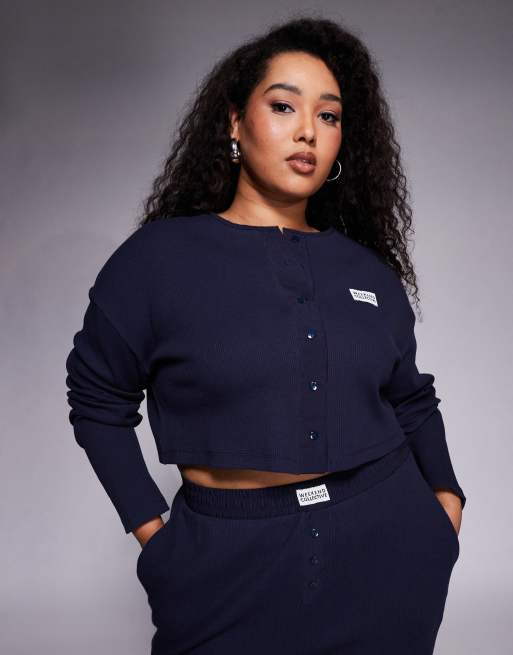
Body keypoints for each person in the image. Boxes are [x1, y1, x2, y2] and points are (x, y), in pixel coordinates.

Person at [65, 15, 467, 654]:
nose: (308, 130)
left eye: (329, 116)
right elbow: (97, 403)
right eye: (283, 106)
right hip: (226, 563)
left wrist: (445, 502)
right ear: (233, 121)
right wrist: (153, 533)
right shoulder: (157, 260)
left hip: (388, 550)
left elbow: (411, 399)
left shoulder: (367, 272)